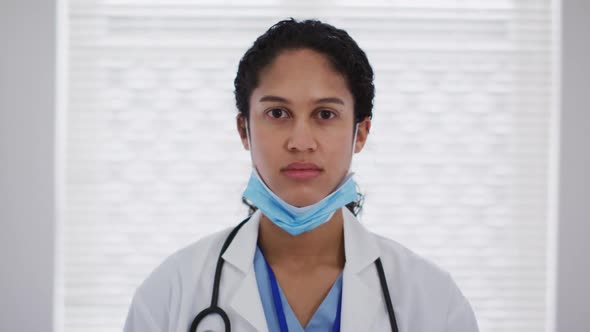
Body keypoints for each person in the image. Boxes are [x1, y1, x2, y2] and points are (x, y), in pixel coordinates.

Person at [124, 18, 479, 332]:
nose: (300, 142)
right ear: (244, 130)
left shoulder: (433, 302)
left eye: (325, 114)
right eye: (277, 113)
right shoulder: (171, 293)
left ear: (361, 133)